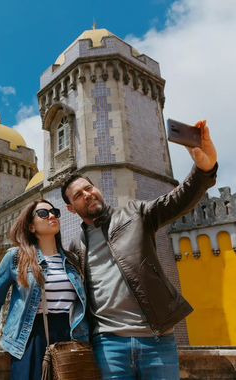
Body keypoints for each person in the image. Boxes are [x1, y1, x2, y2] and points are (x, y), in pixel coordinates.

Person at [60, 120, 218, 380]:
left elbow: (179, 199)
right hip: (108, 345)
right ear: (70, 208)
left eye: (89, 188)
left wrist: (204, 168)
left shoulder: (136, 214)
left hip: (156, 339)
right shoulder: (77, 246)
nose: (87, 194)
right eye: (78, 195)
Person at [0, 199, 88, 380]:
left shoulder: (72, 260)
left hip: (70, 337)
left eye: (55, 212)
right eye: (43, 213)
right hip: (30, 339)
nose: (52, 216)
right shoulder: (17, 257)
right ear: (31, 227)